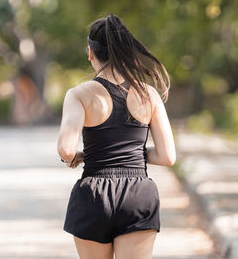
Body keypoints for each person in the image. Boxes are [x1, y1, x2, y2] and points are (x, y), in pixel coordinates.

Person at [56, 14, 176, 259]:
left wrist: (81, 156)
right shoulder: (149, 94)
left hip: (94, 196)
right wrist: (128, 154)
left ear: (90, 52)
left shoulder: (79, 94)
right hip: (138, 195)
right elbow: (167, 156)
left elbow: (66, 150)